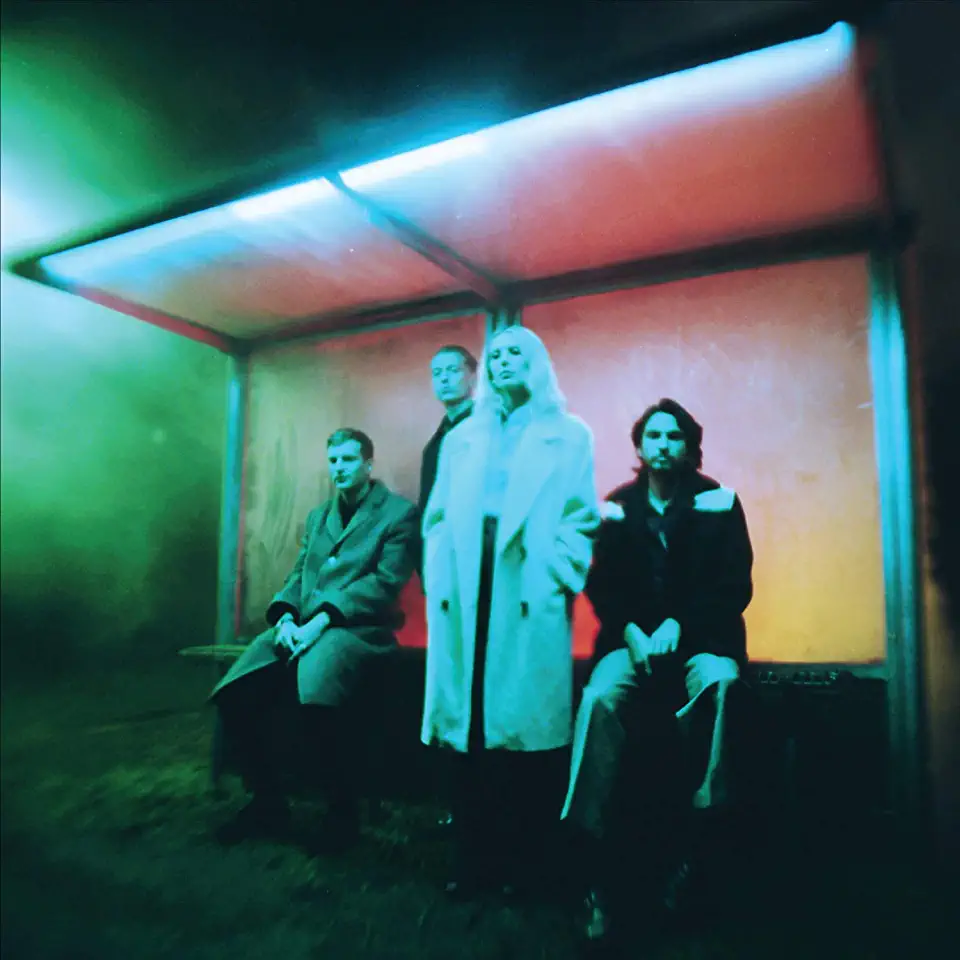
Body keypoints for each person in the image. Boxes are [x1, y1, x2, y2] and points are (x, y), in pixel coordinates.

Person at [560, 398, 755, 942]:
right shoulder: (616, 506)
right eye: (653, 436)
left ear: (691, 446)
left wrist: (680, 625)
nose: (663, 445)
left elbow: (733, 586)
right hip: (633, 641)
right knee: (599, 698)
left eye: (674, 436)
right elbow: (603, 584)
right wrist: (630, 630)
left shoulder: (719, 501)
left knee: (721, 685)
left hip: (703, 639)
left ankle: (704, 832)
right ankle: (587, 852)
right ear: (640, 447)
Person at [420, 323, 601, 898]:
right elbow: (437, 516)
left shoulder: (569, 435)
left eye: (515, 353)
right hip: (467, 586)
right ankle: (472, 859)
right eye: (494, 355)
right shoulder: (462, 438)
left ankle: (524, 864)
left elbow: (581, 515)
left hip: (525, 585)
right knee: (471, 725)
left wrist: (557, 572)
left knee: (522, 732)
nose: (502, 362)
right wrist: (440, 572)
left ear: (538, 362)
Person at [210, 428, 418, 854]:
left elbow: (383, 584)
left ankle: (342, 815)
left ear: (368, 464)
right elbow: (298, 573)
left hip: (360, 631)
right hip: (303, 627)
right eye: (333, 460)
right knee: (236, 691)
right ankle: (268, 803)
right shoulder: (320, 515)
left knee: (317, 690)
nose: (339, 468)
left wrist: (322, 620)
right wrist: (286, 616)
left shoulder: (398, 514)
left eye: (348, 459)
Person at [418, 344, 477, 831]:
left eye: (452, 370)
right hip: (444, 581)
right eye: (435, 372)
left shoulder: (487, 431)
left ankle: (477, 803)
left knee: (475, 684)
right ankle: (455, 801)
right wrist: (429, 572)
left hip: (480, 578)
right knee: (448, 687)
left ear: (472, 375)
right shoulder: (434, 443)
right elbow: (429, 515)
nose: (443, 379)